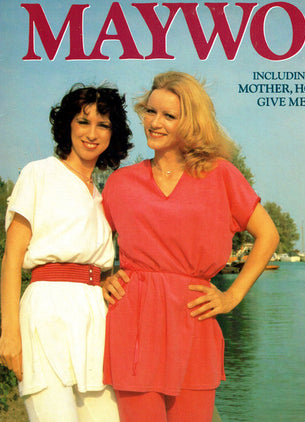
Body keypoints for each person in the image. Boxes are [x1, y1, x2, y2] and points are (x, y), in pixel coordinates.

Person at [101, 71, 280, 422]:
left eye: (169, 115)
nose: (155, 123)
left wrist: (232, 296)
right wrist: (104, 277)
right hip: (133, 323)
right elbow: (91, 243)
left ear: (191, 123)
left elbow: (268, 235)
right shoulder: (121, 182)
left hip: (194, 318)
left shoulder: (220, 174)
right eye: (151, 112)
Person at [0, 84, 133, 421]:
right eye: (83, 121)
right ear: (67, 126)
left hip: (94, 318)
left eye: (103, 125)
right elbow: (11, 259)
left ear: (113, 134)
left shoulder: (102, 196)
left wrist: (106, 281)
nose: (92, 133)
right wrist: (9, 334)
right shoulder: (39, 173)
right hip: (46, 312)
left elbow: (98, 265)